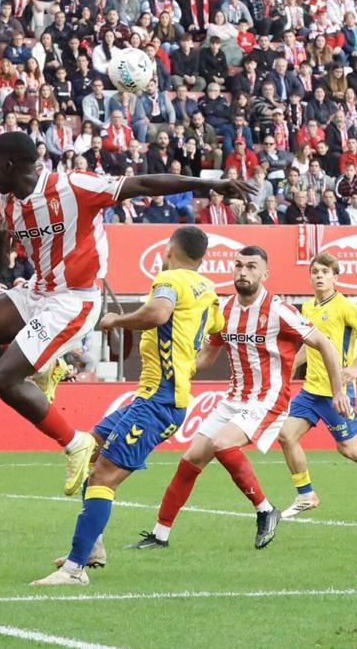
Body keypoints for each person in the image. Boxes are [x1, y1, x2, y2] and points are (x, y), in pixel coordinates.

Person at [0, 131, 253, 497]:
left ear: (8, 165)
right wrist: (1, 241)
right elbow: (2, 269)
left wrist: (209, 184)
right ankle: (43, 367)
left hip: (75, 299)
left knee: (4, 379)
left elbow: (144, 183)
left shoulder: (73, 186)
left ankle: (75, 443)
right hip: (37, 291)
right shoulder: (3, 203)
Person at [31, 227, 224, 586]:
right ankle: (92, 547)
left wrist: (116, 320)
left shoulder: (168, 279)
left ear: (169, 251)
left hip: (159, 400)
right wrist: (192, 364)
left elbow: (157, 314)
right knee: (91, 450)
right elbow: (217, 334)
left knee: (104, 476)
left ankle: (74, 570)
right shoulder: (207, 290)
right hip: (155, 395)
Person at [129, 246, 351, 551]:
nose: (243, 272)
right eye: (238, 266)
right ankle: (160, 534)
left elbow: (324, 344)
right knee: (191, 458)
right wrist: (178, 367)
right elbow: (207, 355)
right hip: (233, 399)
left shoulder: (279, 309)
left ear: (264, 274)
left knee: (222, 444)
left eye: (251, 267)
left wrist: (338, 390)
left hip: (268, 399)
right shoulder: (224, 310)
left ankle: (265, 510)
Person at [275, 253, 357, 520]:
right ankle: (306, 494)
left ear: (335, 278)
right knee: (286, 436)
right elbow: (310, 345)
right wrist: (290, 368)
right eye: (315, 271)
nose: (319, 276)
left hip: (337, 391)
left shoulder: (344, 306)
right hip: (311, 390)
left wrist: (354, 368)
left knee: (348, 448)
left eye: (325, 272)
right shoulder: (306, 309)